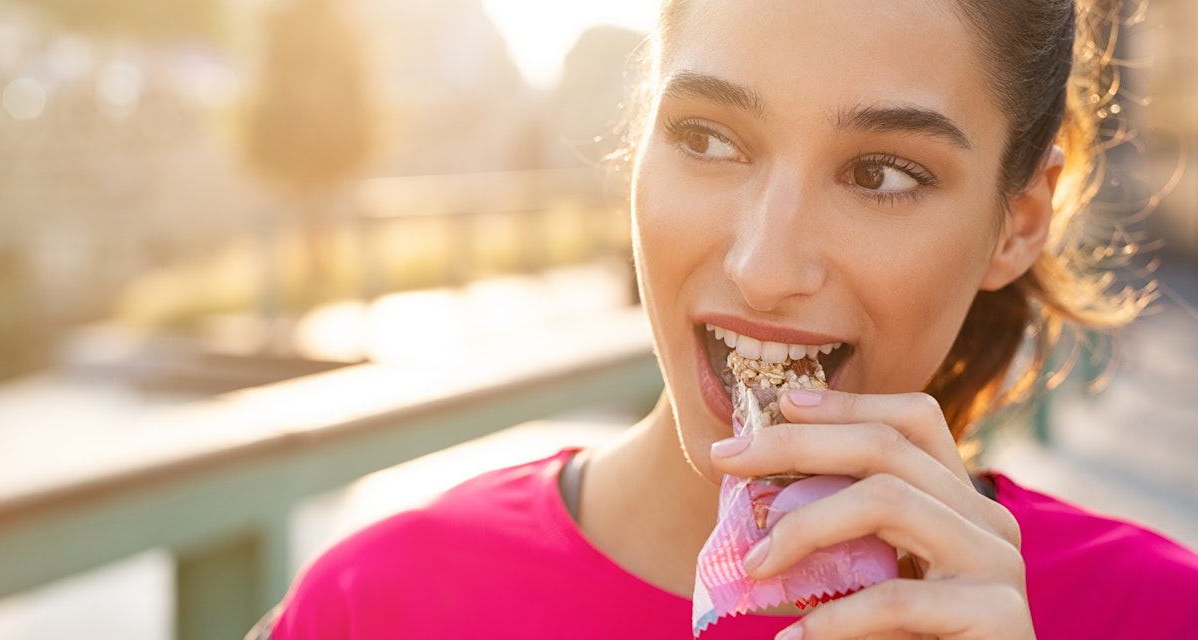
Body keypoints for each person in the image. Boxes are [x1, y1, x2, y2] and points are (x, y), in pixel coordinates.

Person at [253, 0, 1198, 638]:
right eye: (708, 139)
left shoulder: (1155, 613)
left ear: (1018, 222)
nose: (763, 267)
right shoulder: (378, 606)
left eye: (882, 174)